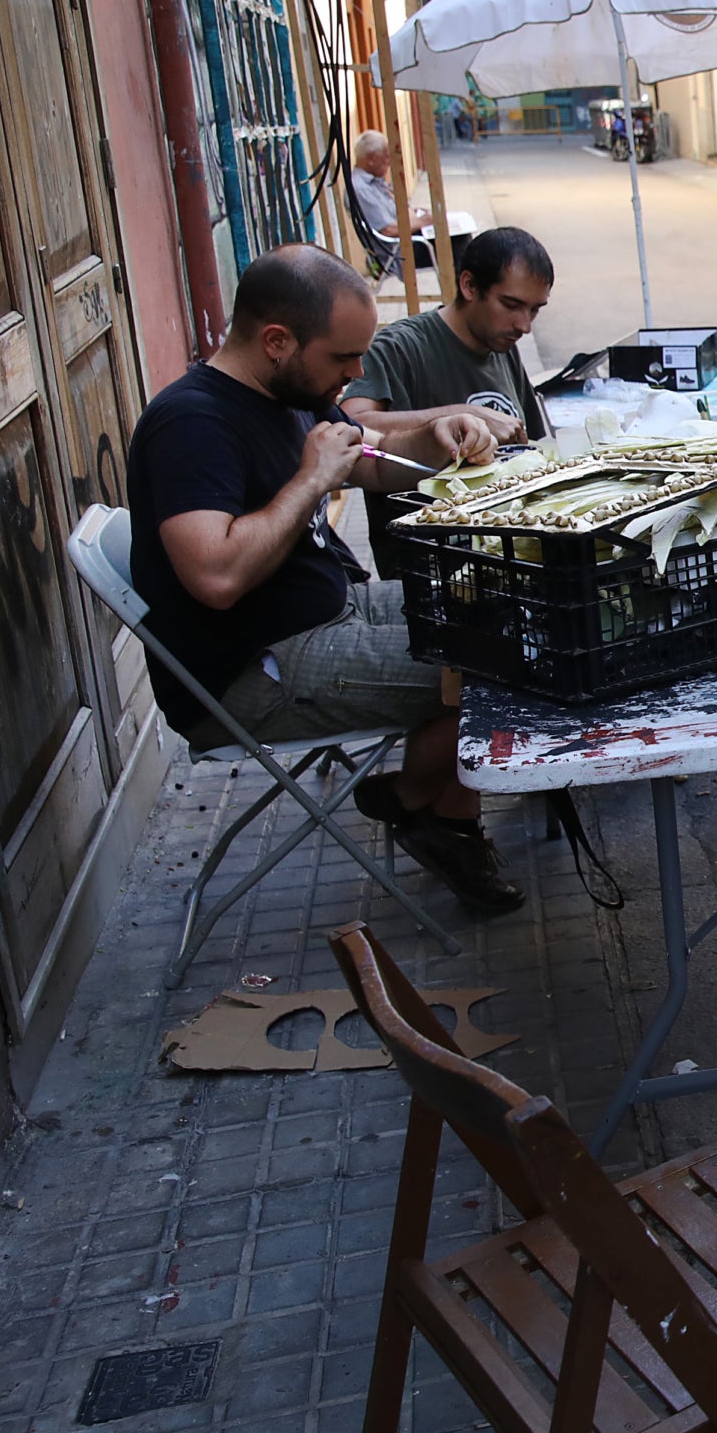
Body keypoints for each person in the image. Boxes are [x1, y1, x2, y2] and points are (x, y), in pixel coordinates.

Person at [126, 244, 526, 913]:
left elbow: (367, 461)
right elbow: (216, 577)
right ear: (278, 341)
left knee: (517, 610)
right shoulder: (190, 425)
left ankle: (413, 799)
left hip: (330, 610)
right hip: (258, 668)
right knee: (509, 664)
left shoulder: (291, 387)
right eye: (343, 358)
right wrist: (310, 479)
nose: (357, 371)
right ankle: (432, 816)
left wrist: (436, 436)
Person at [343, 225, 553, 448]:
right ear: (469, 286)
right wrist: (461, 416)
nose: (524, 325)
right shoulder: (400, 347)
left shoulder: (502, 342)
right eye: (511, 305)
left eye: (534, 310)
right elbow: (349, 425)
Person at [350, 129, 467, 277]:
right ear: (372, 158)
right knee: (457, 242)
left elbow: (403, 206)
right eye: (386, 157)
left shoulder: (376, 181)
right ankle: (462, 294)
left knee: (458, 233)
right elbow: (387, 230)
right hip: (395, 252)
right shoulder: (361, 188)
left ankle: (464, 291)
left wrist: (417, 216)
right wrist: (423, 221)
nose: (389, 162)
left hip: (406, 239)